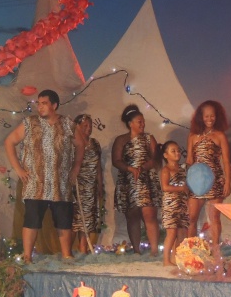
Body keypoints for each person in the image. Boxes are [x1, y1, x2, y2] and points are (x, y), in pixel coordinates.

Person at [4, 89, 85, 263]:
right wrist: (18, 169)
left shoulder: (67, 124)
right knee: (32, 219)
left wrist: (76, 167)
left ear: (54, 105)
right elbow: (9, 141)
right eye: (38, 103)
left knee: (63, 220)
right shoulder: (29, 123)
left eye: (44, 103)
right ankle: (27, 257)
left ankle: (67, 255)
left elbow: (80, 145)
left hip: (60, 182)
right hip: (36, 182)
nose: (39, 107)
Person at [112, 104, 161, 255]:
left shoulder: (149, 138)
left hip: (146, 181)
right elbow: (116, 160)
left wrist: (144, 167)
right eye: (139, 121)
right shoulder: (121, 139)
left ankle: (154, 250)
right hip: (129, 182)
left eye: (143, 121)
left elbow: (156, 159)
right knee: (132, 216)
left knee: (149, 214)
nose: (143, 124)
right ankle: (137, 251)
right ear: (130, 123)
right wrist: (130, 168)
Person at [186, 100, 231, 246]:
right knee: (191, 217)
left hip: (215, 180)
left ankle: (215, 250)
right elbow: (189, 160)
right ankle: (191, 249)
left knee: (214, 217)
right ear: (201, 117)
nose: (210, 119)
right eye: (206, 116)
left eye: (212, 116)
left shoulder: (220, 136)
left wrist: (227, 182)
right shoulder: (193, 136)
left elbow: (226, 161)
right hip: (196, 181)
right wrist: (187, 181)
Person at [71, 114, 103, 254]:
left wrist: (100, 184)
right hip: (77, 185)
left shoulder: (95, 143)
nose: (88, 128)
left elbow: (98, 166)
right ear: (77, 126)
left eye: (90, 126)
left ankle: (84, 246)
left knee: (89, 216)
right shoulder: (72, 143)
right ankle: (72, 249)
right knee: (77, 217)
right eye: (85, 126)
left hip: (91, 186)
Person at [160, 141, 189, 266]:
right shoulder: (166, 170)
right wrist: (181, 189)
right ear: (165, 155)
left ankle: (176, 258)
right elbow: (165, 187)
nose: (177, 153)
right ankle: (166, 260)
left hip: (182, 204)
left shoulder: (183, 169)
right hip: (170, 205)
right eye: (173, 151)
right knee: (171, 233)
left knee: (182, 232)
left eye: (178, 150)